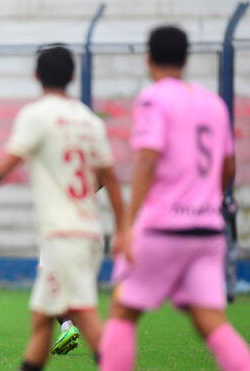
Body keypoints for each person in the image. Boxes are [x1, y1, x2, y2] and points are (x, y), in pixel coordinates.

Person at [0, 45, 125, 370]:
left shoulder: (37, 115)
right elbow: (110, 178)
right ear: (72, 76)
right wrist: (123, 228)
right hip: (88, 230)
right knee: (42, 321)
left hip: (62, 233)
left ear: (36, 75)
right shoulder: (89, 120)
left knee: (81, 313)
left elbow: (5, 167)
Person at [99, 26, 250, 371]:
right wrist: (206, 199)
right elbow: (228, 166)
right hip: (208, 229)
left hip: (163, 226)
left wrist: (128, 223)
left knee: (123, 311)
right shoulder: (214, 103)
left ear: (148, 58)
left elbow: (147, 159)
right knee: (210, 319)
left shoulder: (154, 97)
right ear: (186, 59)